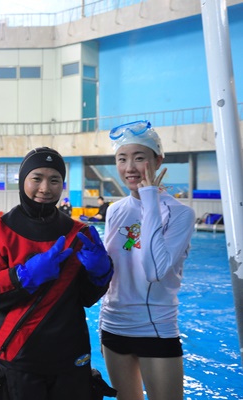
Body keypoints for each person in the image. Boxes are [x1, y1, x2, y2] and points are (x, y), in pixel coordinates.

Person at [0, 146, 114, 399]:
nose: (45, 188)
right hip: (18, 356)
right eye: (37, 178)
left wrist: (100, 274)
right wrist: (24, 276)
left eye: (54, 180)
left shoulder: (80, 233)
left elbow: (86, 298)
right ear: (22, 180)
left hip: (70, 356)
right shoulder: (1, 230)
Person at [99, 120, 195, 400]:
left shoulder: (180, 214)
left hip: (156, 329)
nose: (129, 167)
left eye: (139, 158)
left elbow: (154, 270)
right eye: (122, 159)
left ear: (158, 160)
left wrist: (149, 196)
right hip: (113, 326)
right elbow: (112, 273)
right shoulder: (115, 211)